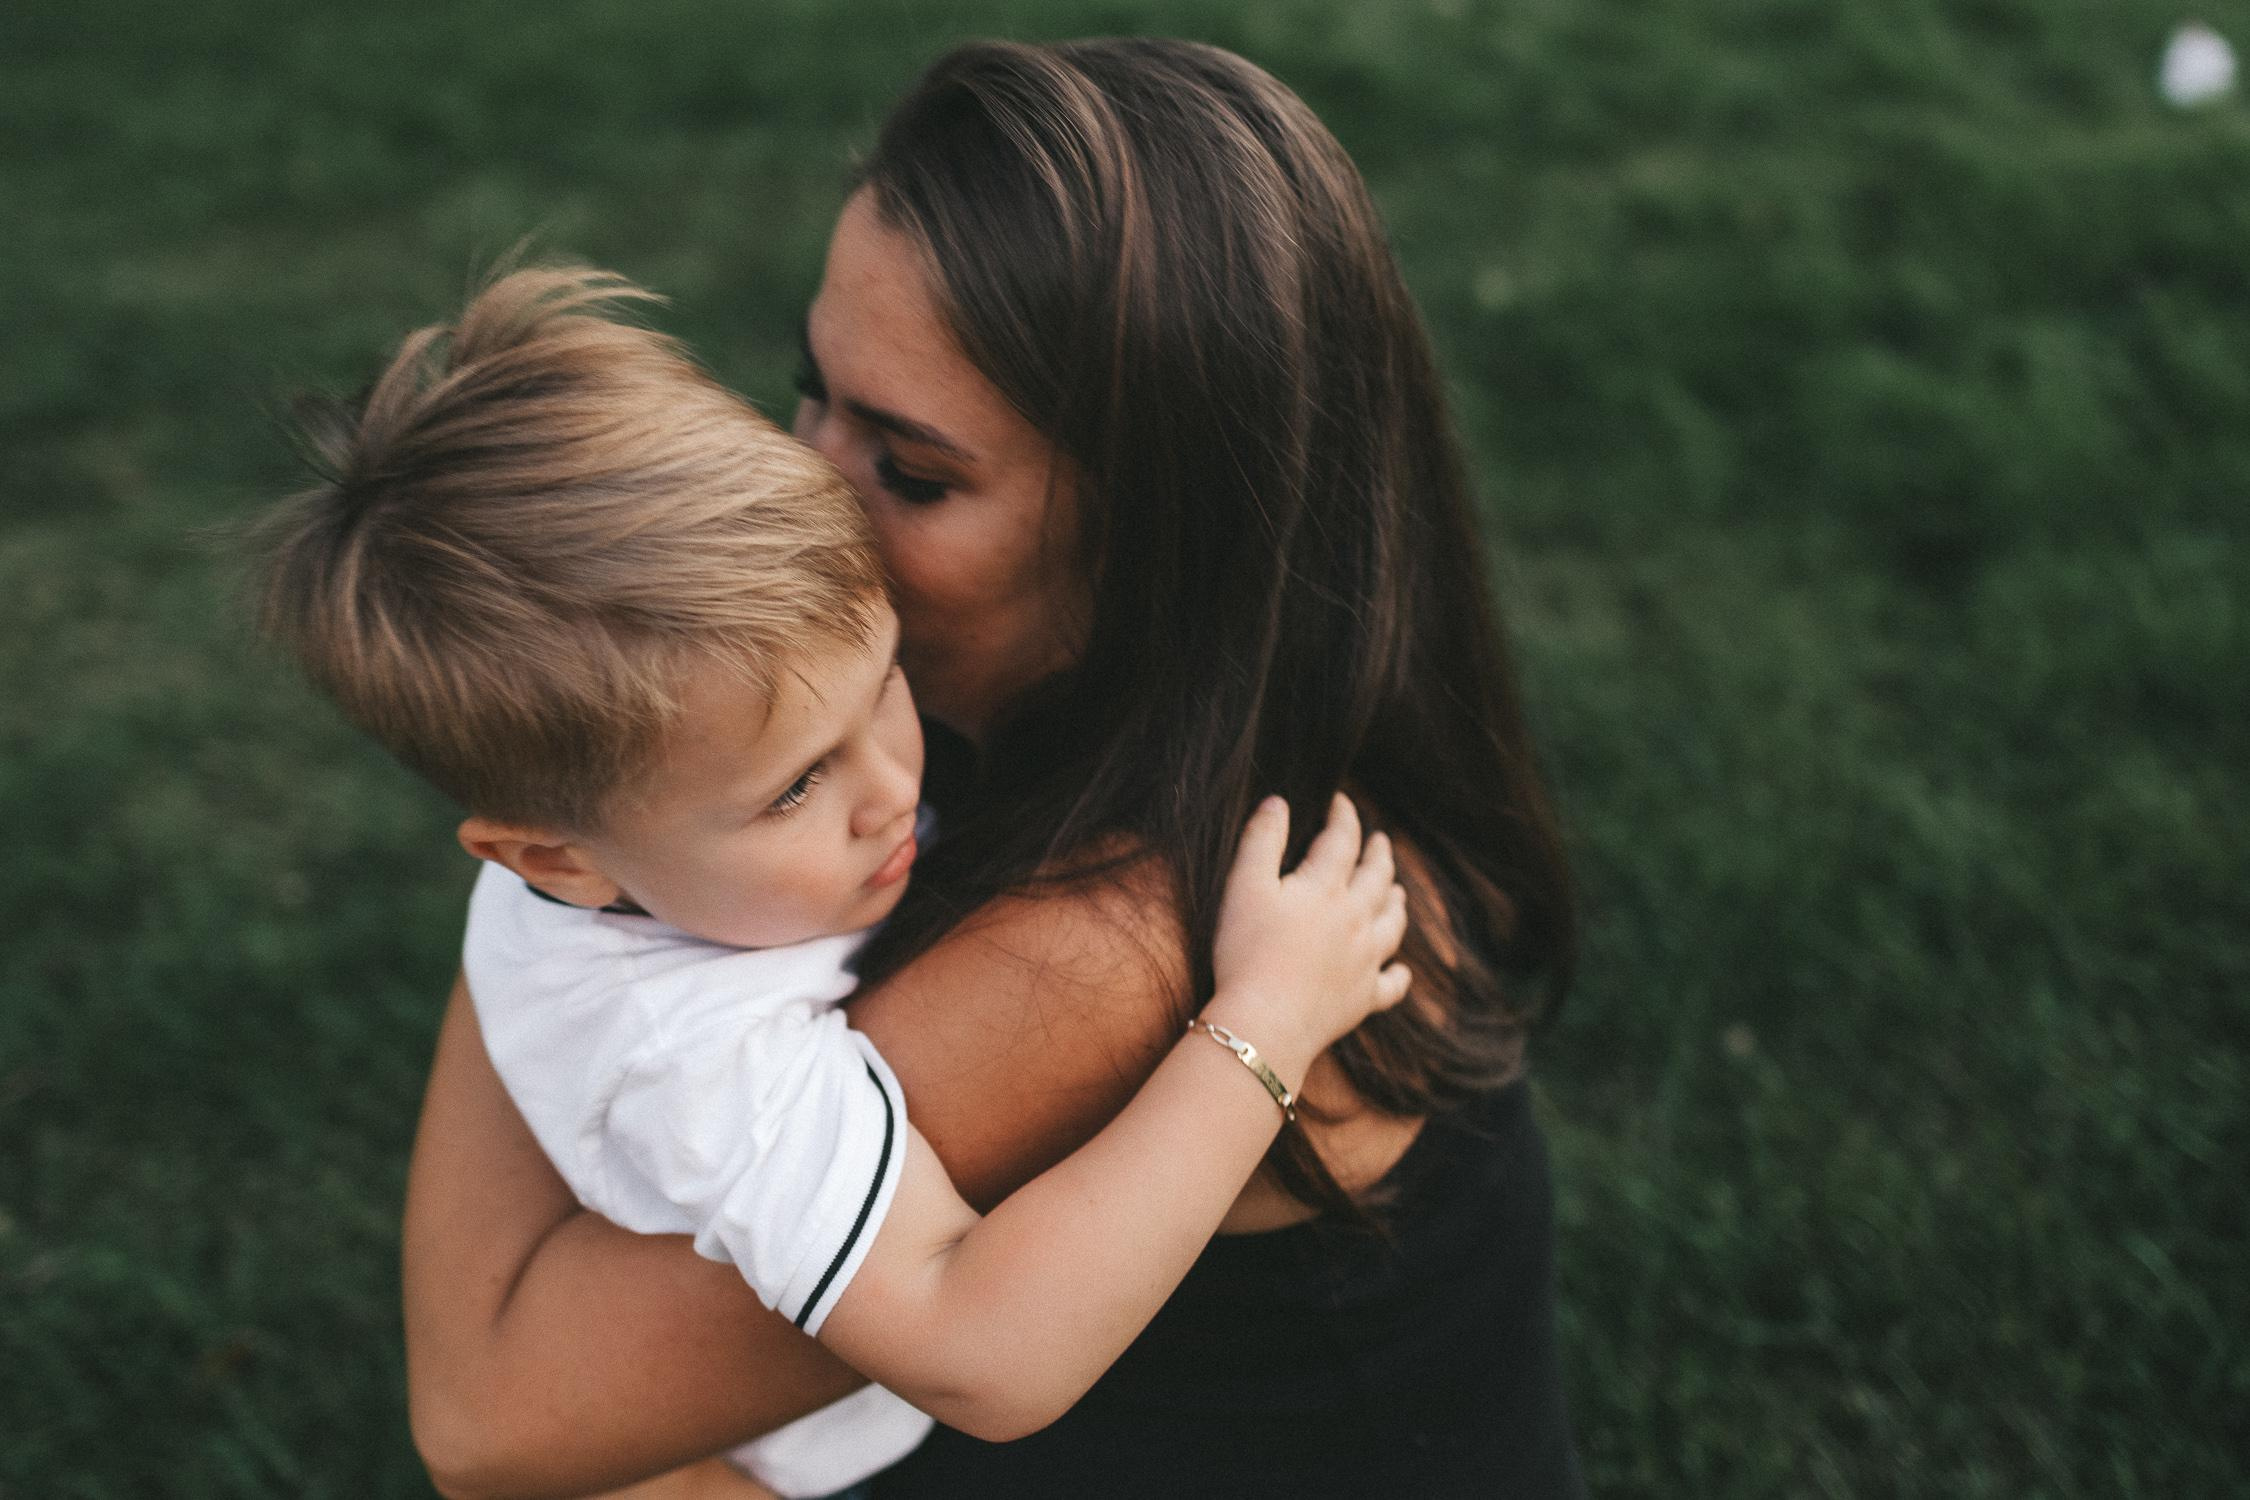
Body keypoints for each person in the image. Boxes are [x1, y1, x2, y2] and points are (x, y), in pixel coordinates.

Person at [403, 36, 1584, 1500]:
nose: (803, 507)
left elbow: (495, 1415)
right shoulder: (1210, 723)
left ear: (1159, 547)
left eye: (909, 472)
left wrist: (590, 834)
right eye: (806, 396)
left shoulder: (1109, 946)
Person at [257, 265, 1411, 1499]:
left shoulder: (631, 851)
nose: (893, 790)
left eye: (887, 683)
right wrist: (1267, 1019)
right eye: (795, 787)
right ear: (555, 859)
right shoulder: (709, 1062)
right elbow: (987, 1355)